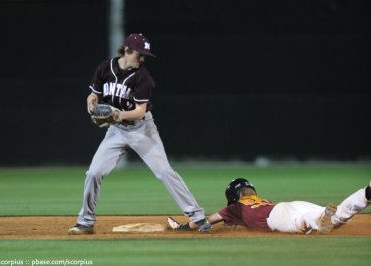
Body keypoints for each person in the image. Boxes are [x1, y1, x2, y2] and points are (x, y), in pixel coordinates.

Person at [67, 33, 210, 235]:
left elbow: (140, 111)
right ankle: (85, 222)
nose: (142, 59)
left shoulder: (143, 77)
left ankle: (197, 216)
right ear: (127, 50)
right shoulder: (105, 68)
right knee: (93, 172)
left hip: (142, 130)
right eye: (139, 54)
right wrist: (91, 102)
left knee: (165, 171)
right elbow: (94, 94)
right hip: (116, 131)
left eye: (144, 56)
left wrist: (117, 115)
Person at [168, 178, 371, 234]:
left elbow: (203, 221)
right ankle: (365, 194)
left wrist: (183, 227)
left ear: (231, 196)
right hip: (292, 204)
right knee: (337, 218)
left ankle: (317, 221)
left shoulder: (233, 208)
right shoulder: (260, 200)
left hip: (276, 215)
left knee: (301, 222)